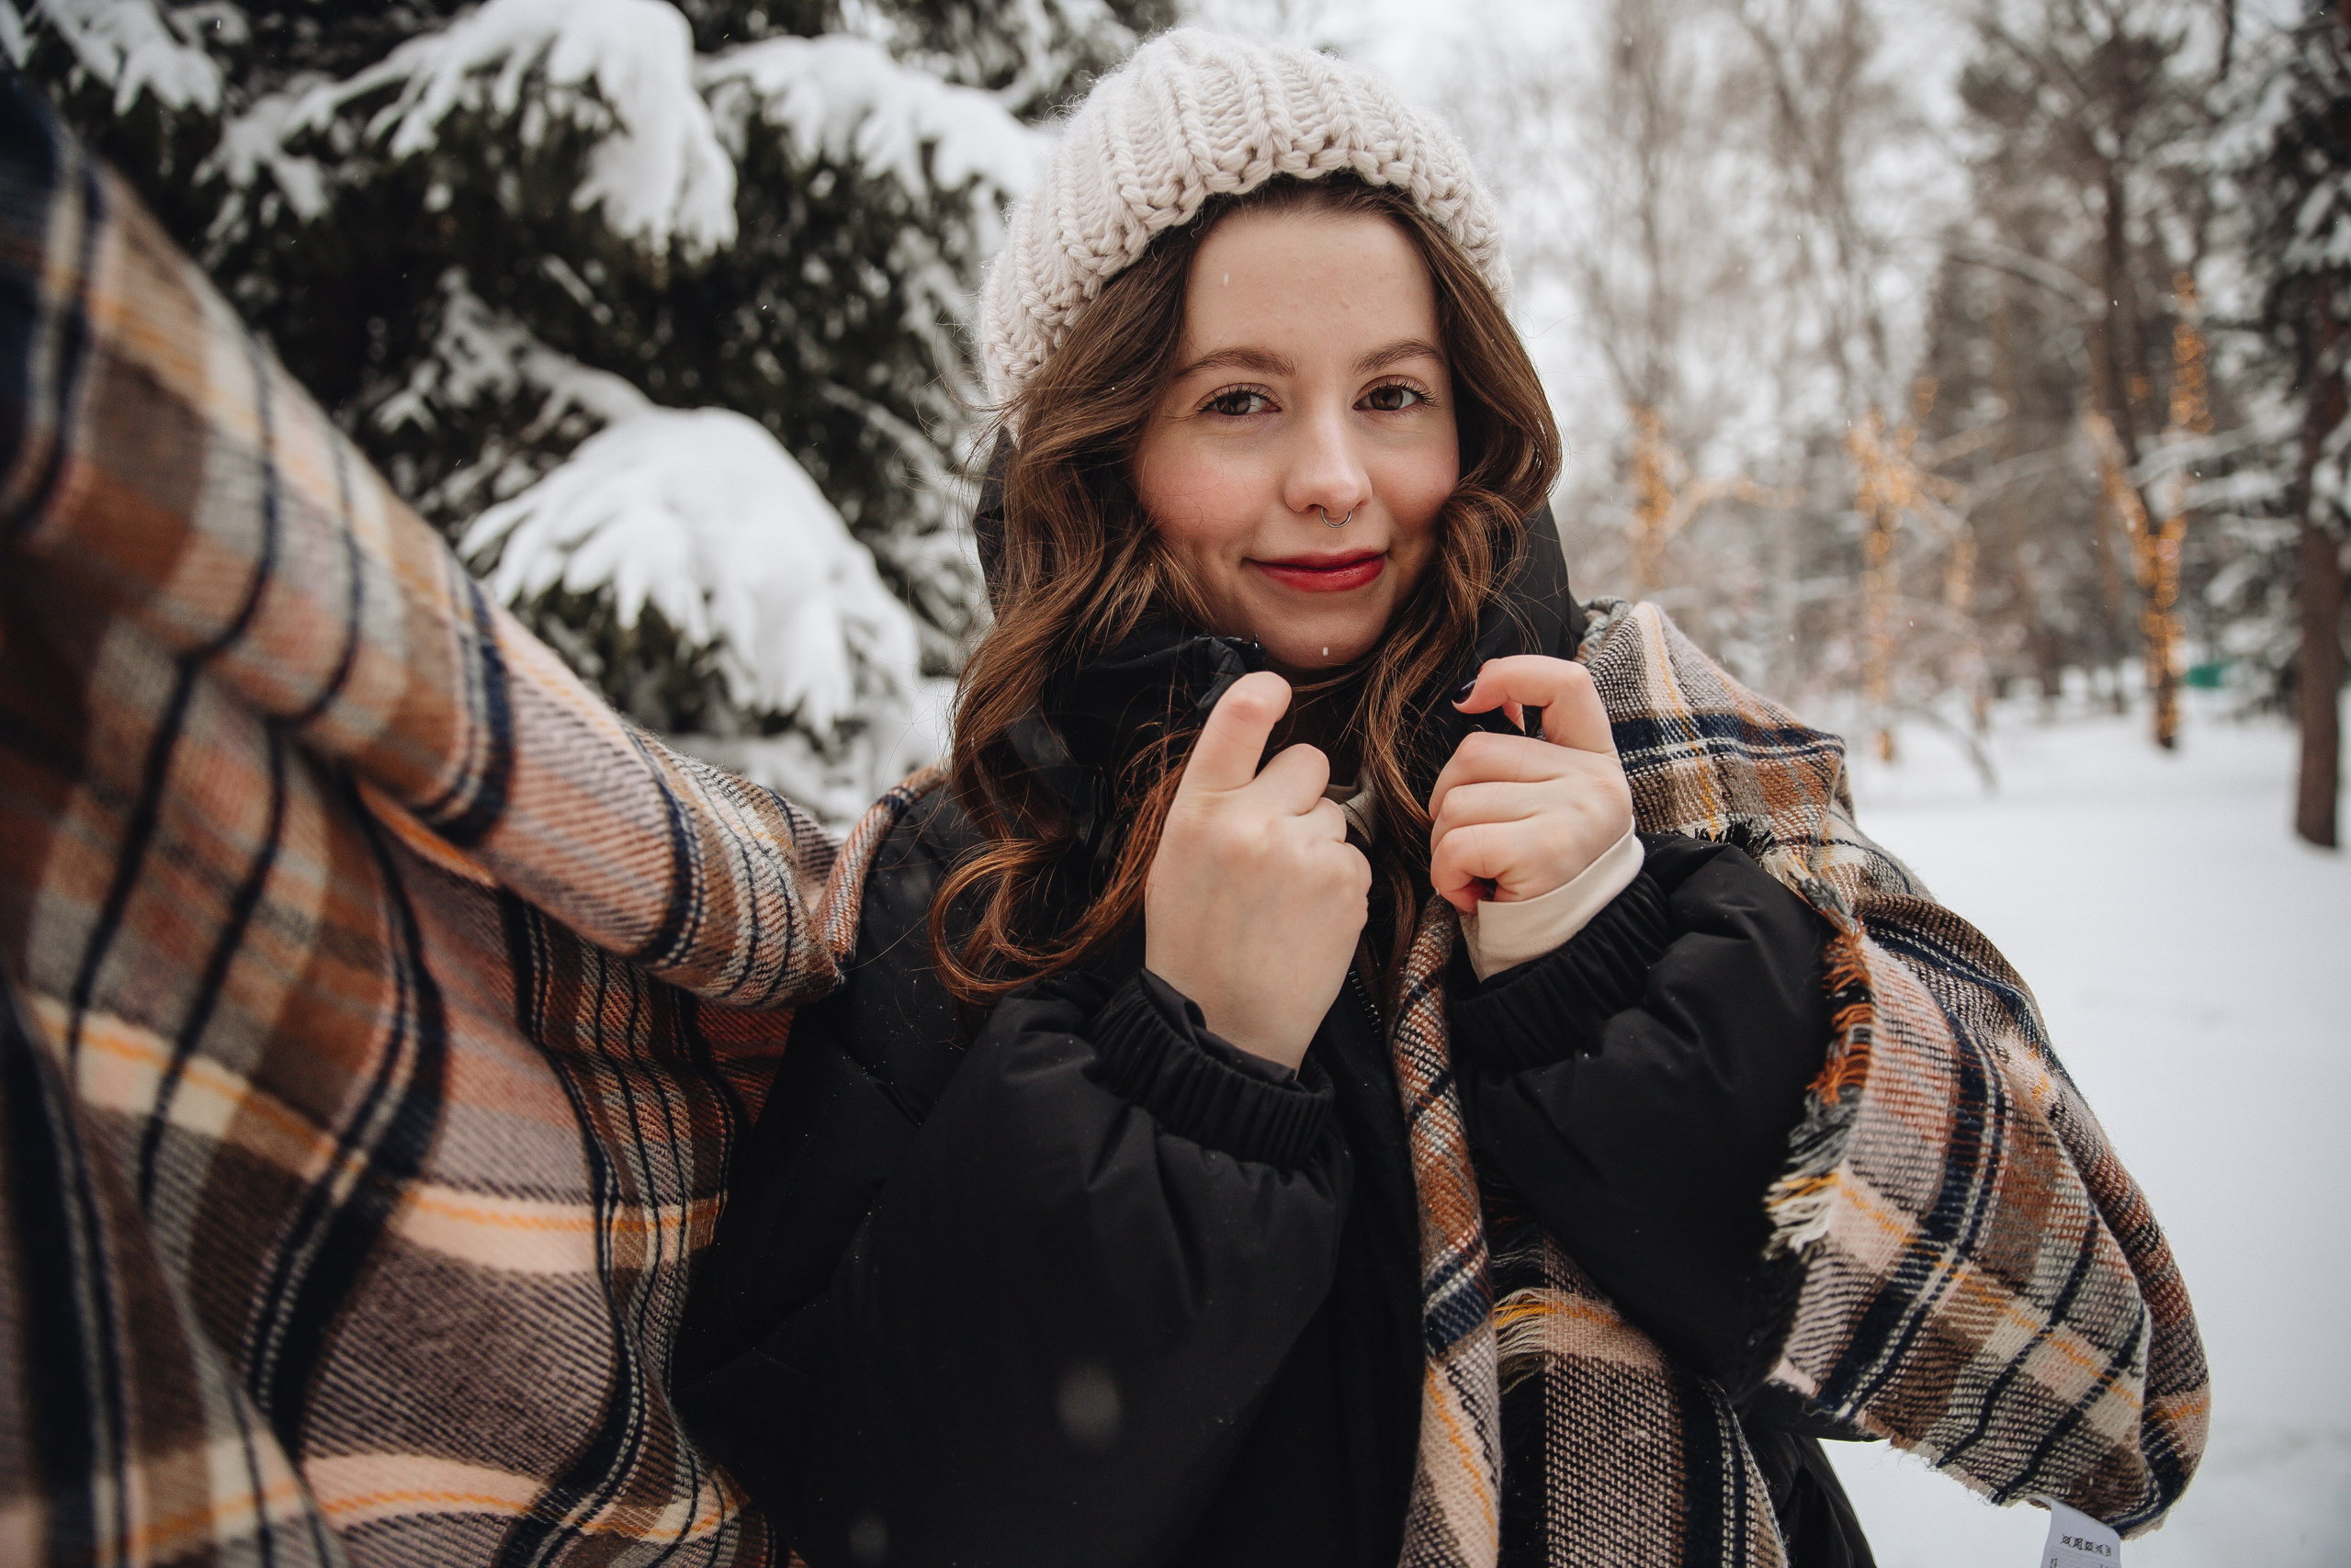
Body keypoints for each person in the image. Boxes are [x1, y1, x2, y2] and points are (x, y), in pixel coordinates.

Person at [671, 29, 2205, 1568]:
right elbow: (876, 1505)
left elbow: (2064, 1346)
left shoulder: (1659, 745)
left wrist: (1618, 979)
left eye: (1393, 392)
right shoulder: (967, 879)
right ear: (1099, 443)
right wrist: (1186, 1068)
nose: (1337, 476)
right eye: (1238, 403)